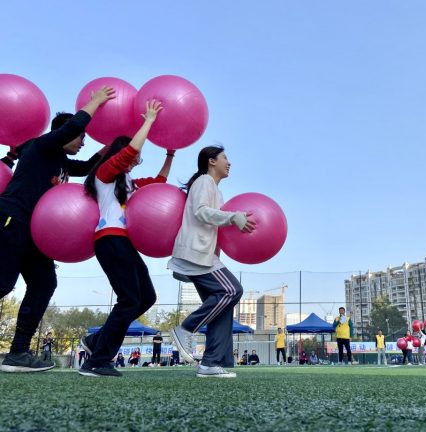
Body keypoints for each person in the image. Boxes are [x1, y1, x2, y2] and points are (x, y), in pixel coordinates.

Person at [0, 87, 115, 373]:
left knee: (44, 284)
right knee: (2, 284)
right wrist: (96, 102)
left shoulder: (61, 162)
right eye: (80, 137)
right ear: (63, 133)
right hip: (12, 219)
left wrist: (113, 141)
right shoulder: (41, 147)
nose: (83, 141)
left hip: (36, 234)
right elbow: (74, 124)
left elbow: (90, 166)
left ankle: (18, 353)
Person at [78, 100, 172, 377]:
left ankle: (97, 341)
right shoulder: (105, 174)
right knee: (129, 300)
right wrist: (149, 121)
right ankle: (96, 361)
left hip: (124, 243)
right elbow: (130, 151)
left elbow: (158, 183)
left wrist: (170, 154)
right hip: (110, 240)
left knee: (146, 297)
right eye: (130, 156)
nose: (134, 159)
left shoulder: (128, 182)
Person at [168, 146, 256, 378]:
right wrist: (233, 217)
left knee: (222, 307)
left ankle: (210, 363)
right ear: (211, 161)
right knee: (232, 290)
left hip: (206, 255)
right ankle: (185, 328)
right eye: (225, 158)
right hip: (195, 253)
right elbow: (201, 212)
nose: (229, 163)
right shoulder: (205, 181)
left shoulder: (216, 190)